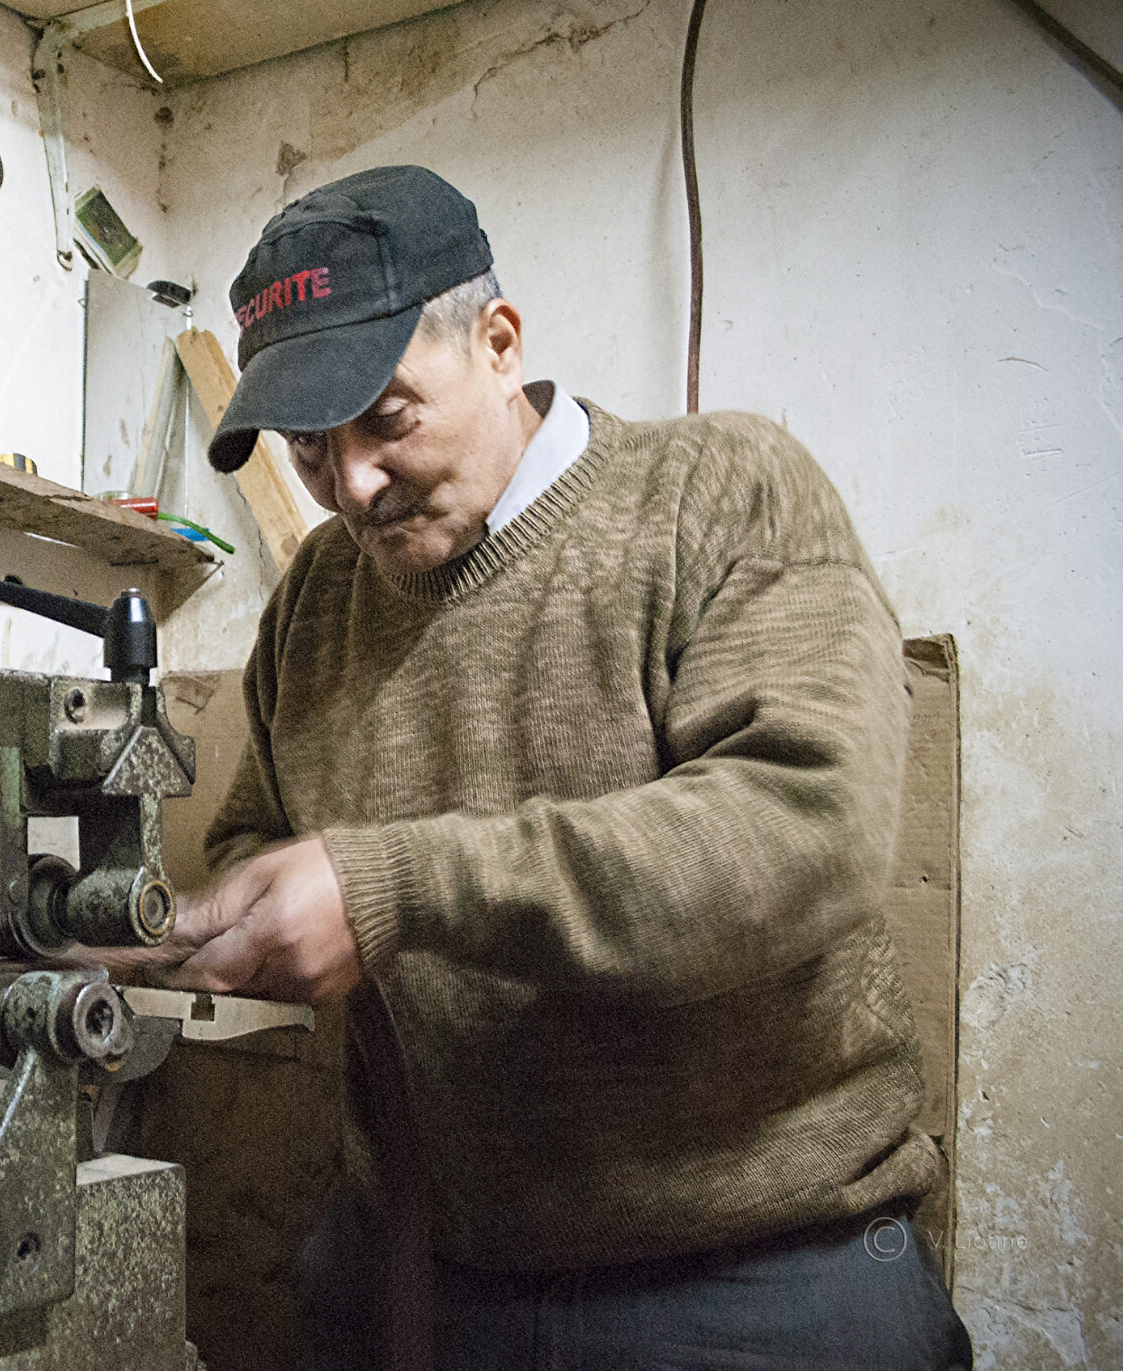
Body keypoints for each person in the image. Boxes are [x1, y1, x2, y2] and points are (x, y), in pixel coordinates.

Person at [168, 165, 974, 1370]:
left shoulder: (720, 492)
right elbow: (260, 840)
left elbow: (798, 831)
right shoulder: (315, 600)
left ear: (498, 344)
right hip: (420, 1269)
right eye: (307, 449)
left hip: (753, 1274)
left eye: (385, 419)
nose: (352, 486)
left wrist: (393, 888)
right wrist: (245, 914)